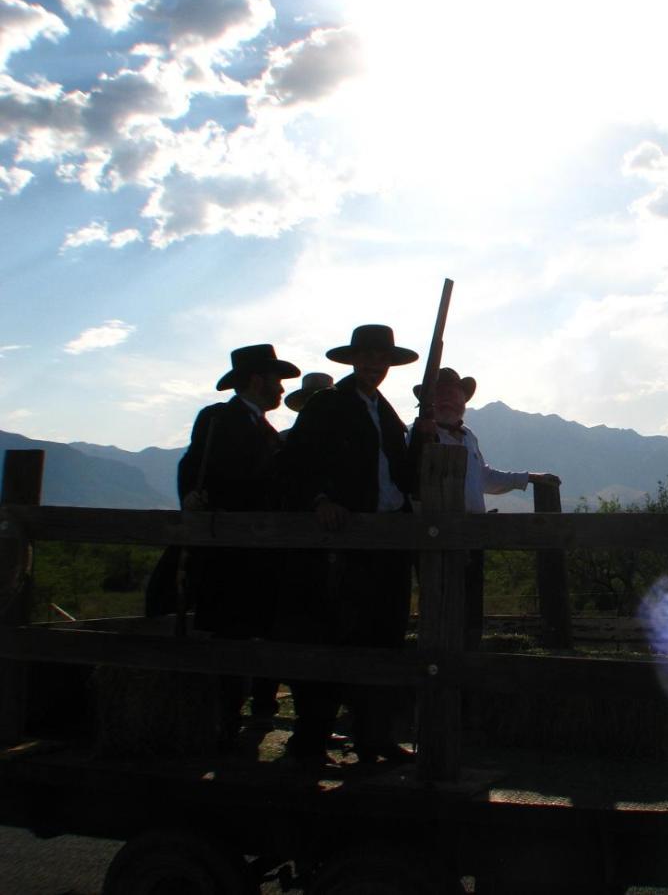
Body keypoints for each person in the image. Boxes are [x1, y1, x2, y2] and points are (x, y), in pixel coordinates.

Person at [280, 324, 430, 768]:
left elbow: (403, 477)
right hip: (343, 543)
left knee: (384, 637)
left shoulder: (387, 414)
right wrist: (321, 500)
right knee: (333, 637)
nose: (373, 364)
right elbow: (297, 463)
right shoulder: (328, 405)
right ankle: (309, 741)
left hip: (387, 541)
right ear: (352, 360)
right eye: (366, 356)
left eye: (380, 358)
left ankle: (374, 738)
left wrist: (420, 437)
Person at [177, 343, 299, 744]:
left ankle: (238, 718)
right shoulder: (222, 420)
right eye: (276, 380)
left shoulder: (256, 428)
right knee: (234, 633)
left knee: (249, 630)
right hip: (230, 551)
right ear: (256, 380)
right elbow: (196, 467)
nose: (281, 389)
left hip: (254, 551)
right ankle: (227, 722)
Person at [412, 367, 561, 648]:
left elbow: (484, 477)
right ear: (428, 401)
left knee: (469, 608)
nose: (448, 400)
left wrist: (527, 477)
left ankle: (467, 669)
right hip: (436, 538)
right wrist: (423, 438)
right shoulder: (417, 436)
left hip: (472, 537)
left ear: (463, 402)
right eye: (440, 394)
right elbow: (409, 480)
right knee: (441, 607)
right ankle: (444, 673)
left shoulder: (468, 436)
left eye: (453, 395)